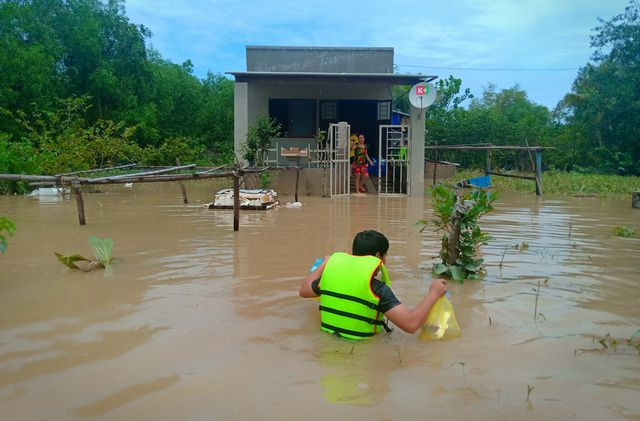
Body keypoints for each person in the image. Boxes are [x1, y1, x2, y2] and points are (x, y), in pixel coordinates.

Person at [299, 230, 447, 340]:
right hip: (361, 350)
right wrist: (434, 293)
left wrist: (325, 263)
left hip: (328, 345)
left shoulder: (330, 278)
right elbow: (411, 324)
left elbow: (304, 291)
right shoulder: (377, 289)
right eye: (386, 255)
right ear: (378, 256)